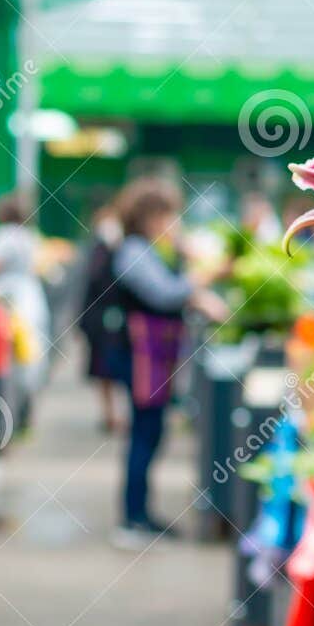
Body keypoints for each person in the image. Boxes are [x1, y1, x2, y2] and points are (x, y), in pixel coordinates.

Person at [111, 178, 228, 549]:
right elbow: (164, 294)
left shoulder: (150, 249)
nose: (171, 222)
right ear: (147, 216)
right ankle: (132, 518)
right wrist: (201, 277)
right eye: (165, 215)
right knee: (144, 433)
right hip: (141, 355)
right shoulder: (133, 251)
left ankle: (142, 513)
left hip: (156, 354)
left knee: (152, 432)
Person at [0, 193, 52, 424]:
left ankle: (5, 422)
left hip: (10, 306)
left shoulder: (5, 237)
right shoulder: (30, 237)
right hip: (31, 301)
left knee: (8, 367)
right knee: (27, 362)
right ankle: (21, 416)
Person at [78, 202, 126, 433]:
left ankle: (117, 413)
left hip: (114, 321)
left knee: (116, 370)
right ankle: (109, 414)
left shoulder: (121, 250)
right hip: (100, 322)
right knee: (104, 370)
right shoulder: (98, 251)